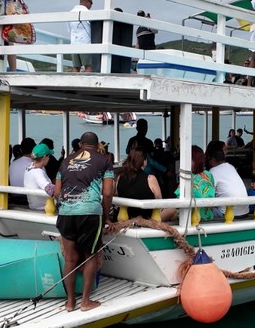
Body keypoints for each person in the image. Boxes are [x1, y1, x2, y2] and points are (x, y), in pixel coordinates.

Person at [54, 132, 114, 312]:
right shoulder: (104, 161)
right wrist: (106, 216)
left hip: (66, 213)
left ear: (80, 144)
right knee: (90, 256)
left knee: (70, 258)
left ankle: (70, 302)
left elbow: (56, 192)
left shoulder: (65, 161)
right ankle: (85, 302)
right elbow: (108, 192)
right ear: (97, 145)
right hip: (89, 213)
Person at [161, 145, 214, 222]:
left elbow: (179, 196)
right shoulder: (208, 175)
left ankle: (151, 223)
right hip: (207, 215)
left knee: (170, 210)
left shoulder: (187, 176)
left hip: (192, 214)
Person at [114, 147, 162, 219]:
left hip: (124, 217)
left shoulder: (120, 177)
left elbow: (117, 194)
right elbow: (159, 199)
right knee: (172, 210)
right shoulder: (150, 179)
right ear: (144, 161)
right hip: (146, 218)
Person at [205, 144, 249, 218]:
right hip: (245, 212)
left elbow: (209, 193)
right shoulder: (231, 166)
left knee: (203, 208)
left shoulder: (213, 171)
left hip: (229, 214)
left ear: (212, 159)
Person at [24, 144, 56, 210]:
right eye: (48, 156)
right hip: (43, 208)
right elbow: (49, 189)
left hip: (33, 206)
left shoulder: (29, 168)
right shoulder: (38, 172)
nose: (49, 158)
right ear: (44, 157)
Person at [68, 0, 94, 72]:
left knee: (76, 67)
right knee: (88, 67)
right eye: (91, 2)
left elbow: (69, 29)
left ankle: (73, 80)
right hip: (85, 42)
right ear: (85, 0)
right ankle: (85, 80)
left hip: (74, 43)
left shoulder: (70, 12)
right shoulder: (87, 12)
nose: (91, 5)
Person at [8, 137, 35, 205]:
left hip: (15, 199)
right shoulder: (36, 165)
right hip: (30, 200)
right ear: (34, 149)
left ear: (21, 150)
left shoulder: (13, 164)